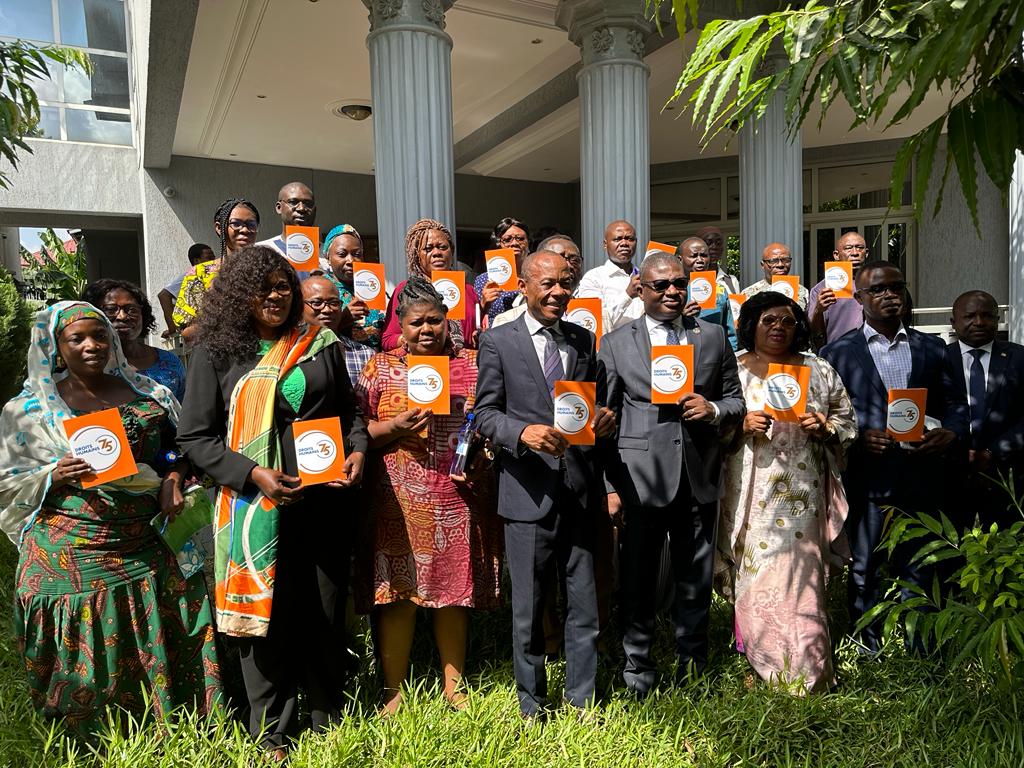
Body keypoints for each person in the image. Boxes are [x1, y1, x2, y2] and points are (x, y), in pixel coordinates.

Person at [176, 246, 367, 759]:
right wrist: (254, 474)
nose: (276, 296)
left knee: (324, 612)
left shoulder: (319, 342)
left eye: (283, 286)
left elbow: (349, 412)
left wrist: (357, 450)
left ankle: (328, 718)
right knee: (267, 621)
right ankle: (272, 732)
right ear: (240, 295)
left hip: (324, 505)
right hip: (254, 511)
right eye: (262, 288)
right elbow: (195, 437)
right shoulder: (217, 353)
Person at [0, 302, 220, 737]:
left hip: (148, 536)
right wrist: (52, 474)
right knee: (84, 628)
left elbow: (178, 449)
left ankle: (174, 719)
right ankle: (89, 727)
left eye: (99, 335)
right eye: (76, 338)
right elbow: (9, 479)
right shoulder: (28, 411)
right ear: (55, 347)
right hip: (72, 542)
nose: (91, 345)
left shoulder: (150, 394)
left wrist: (172, 477)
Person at [474, 250, 616, 718]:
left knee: (584, 603)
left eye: (565, 283)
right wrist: (522, 434)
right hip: (527, 492)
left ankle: (583, 701)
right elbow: (485, 414)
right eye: (548, 283)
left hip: (579, 489)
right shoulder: (498, 341)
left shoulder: (582, 339)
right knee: (529, 607)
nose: (558, 292)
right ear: (524, 285)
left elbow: (589, 406)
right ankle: (531, 704)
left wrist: (603, 418)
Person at [599, 252, 744, 694]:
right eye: (661, 285)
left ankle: (692, 669)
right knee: (638, 580)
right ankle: (638, 671)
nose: (672, 292)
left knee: (694, 581)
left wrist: (713, 408)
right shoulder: (616, 342)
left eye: (679, 283)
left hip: (697, 476)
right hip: (640, 478)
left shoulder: (712, 335)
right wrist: (611, 486)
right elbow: (607, 417)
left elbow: (736, 400)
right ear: (641, 289)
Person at [355, 277, 502, 715]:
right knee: (398, 593)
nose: (426, 330)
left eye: (434, 321)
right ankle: (393, 690)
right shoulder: (380, 368)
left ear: (447, 321)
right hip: (397, 498)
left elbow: (495, 417)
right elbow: (357, 431)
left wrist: (481, 437)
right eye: (416, 322)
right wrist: (393, 428)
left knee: (454, 593)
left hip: (458, 493)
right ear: (400, 326)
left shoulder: (473, 363)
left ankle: (455, 687)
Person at [820, 261, 968, 654]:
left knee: (922, 562)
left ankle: (923, 649)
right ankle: (867, 646)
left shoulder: (932, 347)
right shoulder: (836, 352)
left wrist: (951, 433)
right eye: (878, 289)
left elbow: (955, 403)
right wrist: (857, 438)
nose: (889, 295)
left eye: (896, 287)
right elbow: (830, 414)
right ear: (859, 298)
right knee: (865, 565)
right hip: (868, 476)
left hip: (923, 473)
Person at [717, 292, 857, 692]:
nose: (779, 327)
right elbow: (712, 424)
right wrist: (740, 426)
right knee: (756, 575)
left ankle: (810, 668)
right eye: (769, 320)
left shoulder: (818, 368)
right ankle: (761, 659)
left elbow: (847, 420)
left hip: (803, 495)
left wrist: (826, 428)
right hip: (750, 494)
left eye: (788, 321)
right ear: (751, 325)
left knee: (802, 576)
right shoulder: (734, 370)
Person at [946, 290, 1024, 530]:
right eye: (970, 316)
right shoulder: (938, 358)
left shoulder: (1019, 358)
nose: (979, 322)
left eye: (987, 316)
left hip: (1008, 473)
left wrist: (992, 453)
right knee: (952, 546)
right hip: (950, 473)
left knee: (1008, 546)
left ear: (997, 319)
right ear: (954, 322)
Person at [381, 219, 479, 351]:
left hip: (463, 362)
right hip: (424, 363)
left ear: (451, 252)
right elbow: (388, 340)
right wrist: (412, 338)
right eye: (428, 248)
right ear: (417, 256)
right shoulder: (406, 290)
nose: (437, 253)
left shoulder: (469, 291)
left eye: (443, 247)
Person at [82, 279, 186, 401]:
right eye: (110, 310)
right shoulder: (90, 366)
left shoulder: (170, 362)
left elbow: (184, 408)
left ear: (143, 314)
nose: (122, 316)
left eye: (131, 310)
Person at [173, 198, 260, 343]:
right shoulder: (199, 274)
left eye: (251, 224)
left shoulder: (268, 270)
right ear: (219, 228)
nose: (244, 230)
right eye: (236, 223)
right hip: (216, 352)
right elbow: (187, 333)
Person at [491, 235, 583, 328]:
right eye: (557, 258)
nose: (567, 265)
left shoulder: (586, 320)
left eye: (575, 260)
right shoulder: (508, 321)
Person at [319, 223, 385, 350]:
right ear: (328, 258)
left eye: (357, 254)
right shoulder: (321, 290)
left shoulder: (374, 285)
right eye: (342, 254)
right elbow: (313, 337)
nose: (350, 260)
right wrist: (343, 319)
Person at [301, 275, 374, 385]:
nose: (327, 309)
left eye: (334, 303)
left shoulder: (365, 355)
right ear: (299, 307)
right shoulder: (287, 350)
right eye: (317, 303)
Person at [577, 219, 643, 333]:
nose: (624, 243)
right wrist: (628, 294)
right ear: (605, 244)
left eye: (630, 239)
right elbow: (596, 323)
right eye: (617, 239)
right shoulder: (593, 278)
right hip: (613, 343)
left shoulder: (645, 276)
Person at [808, 231, 869, 349]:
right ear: (836, 255)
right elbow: (814, 334)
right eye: (848, 248)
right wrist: (818, 311)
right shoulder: (821, 289)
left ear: (866, 253)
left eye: (859, 248)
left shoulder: (876, 283)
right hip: (837, 353)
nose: (855, 253)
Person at [676, 237, 738, 350]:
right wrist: (680, 317)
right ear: (680, 259)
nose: (700, 260)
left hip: (714, 352)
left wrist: (730, 355)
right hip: (684, 352)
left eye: (704, 255)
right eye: (693, 256)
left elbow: (729, 332)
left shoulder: (720, 291)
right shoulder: (670, 290)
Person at [476, 217, 531, 323]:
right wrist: (483, 306)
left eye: (520, 238)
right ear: (499, 245)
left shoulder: (538, 277)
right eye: (507, 239)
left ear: (529, 243)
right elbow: (474, 319)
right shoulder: (483, 280)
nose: (514, 243)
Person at [159, 242, 214, 336]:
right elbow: (163, 295)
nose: (214, 261)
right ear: (196, 261)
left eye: (214, 257)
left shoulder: (211, 275)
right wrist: (172, 329)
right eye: (209, 258)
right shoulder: (191, 276)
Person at [256, 181, 317, 258]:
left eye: (308, 203)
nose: (301, 208)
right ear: (279, 207)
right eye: (293, 202)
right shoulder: (261, 252)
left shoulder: (327, 253)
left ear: (315, 210)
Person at [741, 243, 809, 310]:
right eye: (773, 261)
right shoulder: (748, 294)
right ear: (762, 265)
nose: (780, 265)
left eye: (785, 260)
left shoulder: (802, 292)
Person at [695, 225, 740, 294]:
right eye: (708, 243)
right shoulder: (689, 281)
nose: (714, 247)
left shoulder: (732, 281)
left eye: (718, 243)